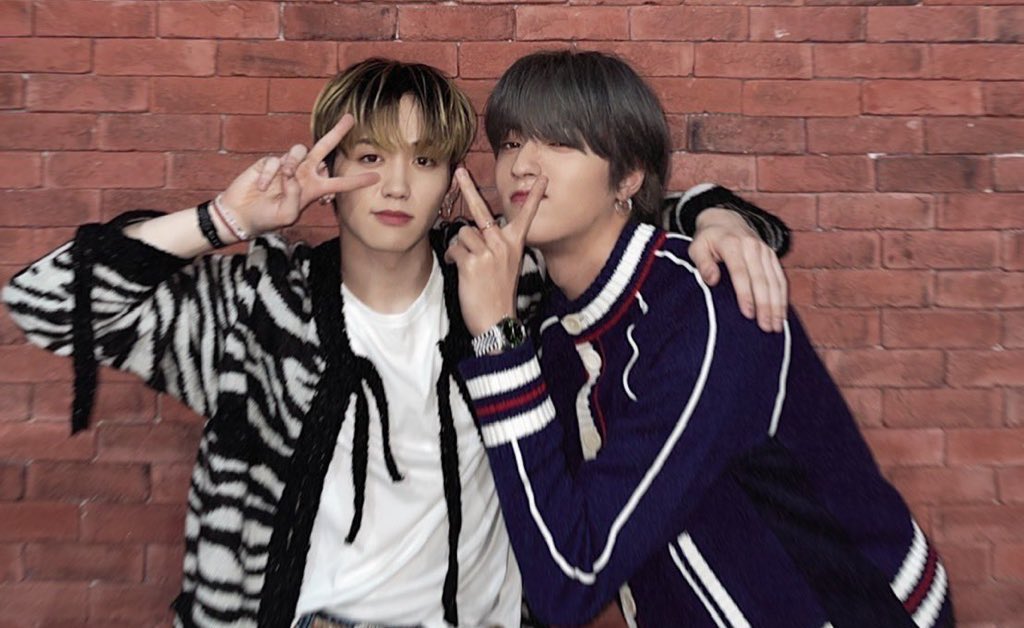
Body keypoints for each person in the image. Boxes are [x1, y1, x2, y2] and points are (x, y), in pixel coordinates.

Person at [3, 58, 788, 627]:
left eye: (424, 160)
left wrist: (714, 215)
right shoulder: (257, 308)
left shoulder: (503, 282)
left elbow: (608, 215)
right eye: (370, 158)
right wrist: (224, 220)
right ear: (329, 169)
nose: (395, 185)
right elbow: (44, 302)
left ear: (449, 184)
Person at [449, 50, 954, 628]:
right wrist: (711, 209)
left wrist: (498, 342)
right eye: (510, 143)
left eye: (558, 143)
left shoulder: (705, 309)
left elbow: (571, 580)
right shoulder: (548, 313)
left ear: (628, 176)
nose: (522, 166)